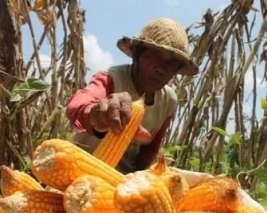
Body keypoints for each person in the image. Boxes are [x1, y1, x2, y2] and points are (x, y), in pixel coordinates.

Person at [65, 17, 199, 174]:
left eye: (172, 64)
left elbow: (148, 152)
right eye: (154, 56)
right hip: (80, 173)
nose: (161, 69)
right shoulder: (112, 79)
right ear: (136, 54)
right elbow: (77, 106)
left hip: (122, 183)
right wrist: (99, 115)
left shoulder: (168, 101)